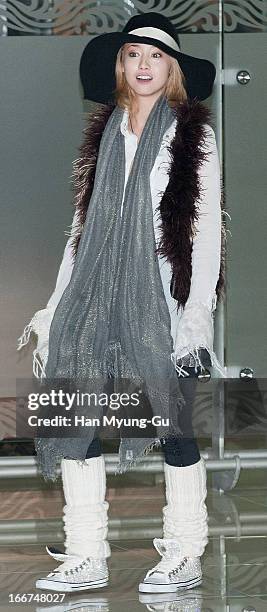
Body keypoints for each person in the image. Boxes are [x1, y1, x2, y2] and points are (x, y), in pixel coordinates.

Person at [17, 12, 227, 595]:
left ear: (174, 69)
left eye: (155, 56)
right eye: (133, 55)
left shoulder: (192, 134)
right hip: (93, 294)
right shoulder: (105, 131)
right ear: (119, 65)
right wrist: (58, 304)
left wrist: (195, 318)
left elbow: (204, 230)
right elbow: (81, 229)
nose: (143, 66)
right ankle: (87, 552)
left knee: (173, 425)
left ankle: (185, 551)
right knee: (74, 411)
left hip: (159, 298)